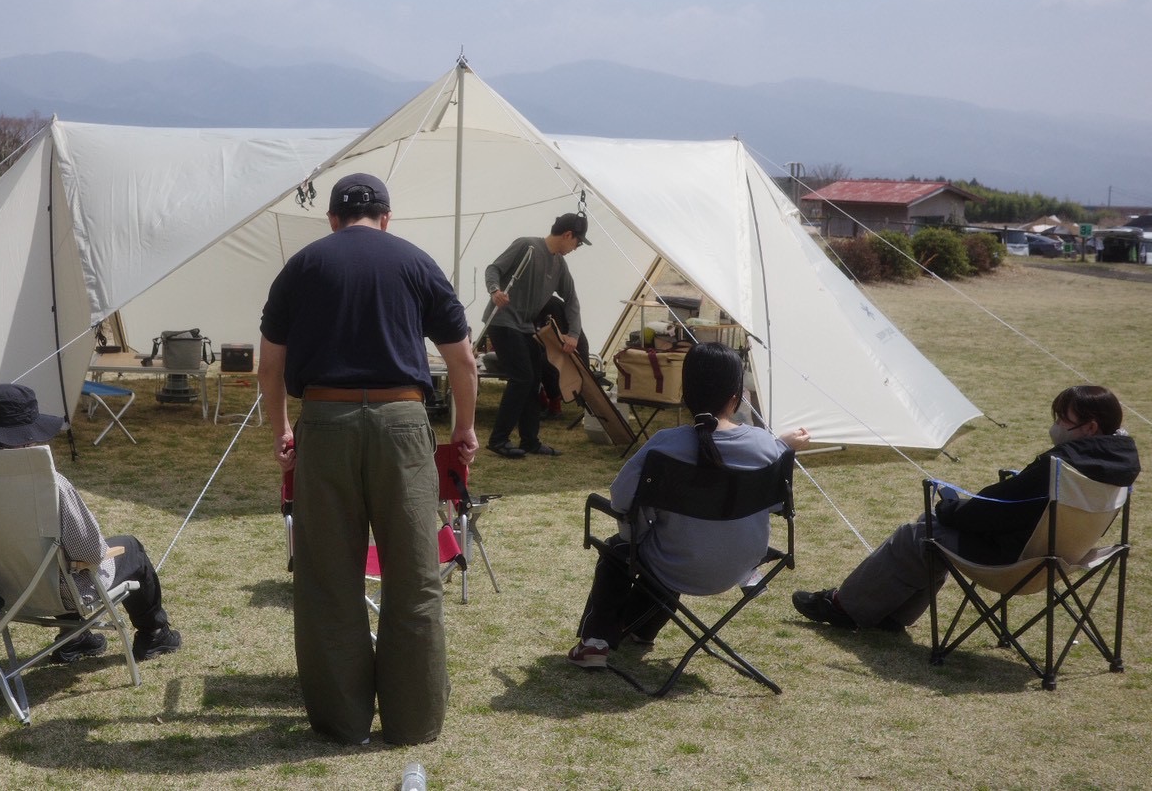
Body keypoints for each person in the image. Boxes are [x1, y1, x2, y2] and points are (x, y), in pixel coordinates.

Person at [260, 172, 479, 747]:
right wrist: (464, 429)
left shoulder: (303, 266)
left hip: (326, 424)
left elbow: (270, 365)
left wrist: (282, 429)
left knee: (328, 579)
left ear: (332, 219)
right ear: (386, 217)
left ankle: (343, 722)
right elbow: (463, 360)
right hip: (404, 424)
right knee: (414, 578)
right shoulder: (415, 262)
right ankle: (413, 722)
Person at [793, 384, 1139, 633]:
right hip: (1061, 559)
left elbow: (993, 511)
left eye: (1063, 420)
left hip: (1015, 562)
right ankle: (889, 616)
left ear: (1090, 427)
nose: (1056, 426)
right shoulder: (1119, 467)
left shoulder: (1061, 468)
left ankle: (843, 607)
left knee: (921, 532)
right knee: (932, 534)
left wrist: (950, 507)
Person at [568, 342, 811, 667]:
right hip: (741, 566)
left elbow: (620, 499)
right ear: (735, 397)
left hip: (677, 564)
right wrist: (783, 444)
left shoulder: (665, 446)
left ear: (685, 392)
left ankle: (596, 643)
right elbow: (778, 507)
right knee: (672, 546)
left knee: (622, 552)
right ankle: (640, 629)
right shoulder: (768, 447)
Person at [0, 383, 181, 664]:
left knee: (49, 555)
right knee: (129, 548)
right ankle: (154, 633)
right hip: (56, 593)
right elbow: (91, 554)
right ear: (27, 437)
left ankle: (76, 637)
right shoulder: (49, 486)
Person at [481, 212, 589, 458]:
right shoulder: (527, 246)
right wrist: (495, 290)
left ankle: (530, 441)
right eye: (577, 242)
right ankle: (498, 439)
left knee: (534, 378)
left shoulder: (559, 264)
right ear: (567, 235)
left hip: (525, 326)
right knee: (522, 377)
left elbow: (571, 299)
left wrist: (573, 333)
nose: (576, 247)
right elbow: (493, 269)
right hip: (503, 321)